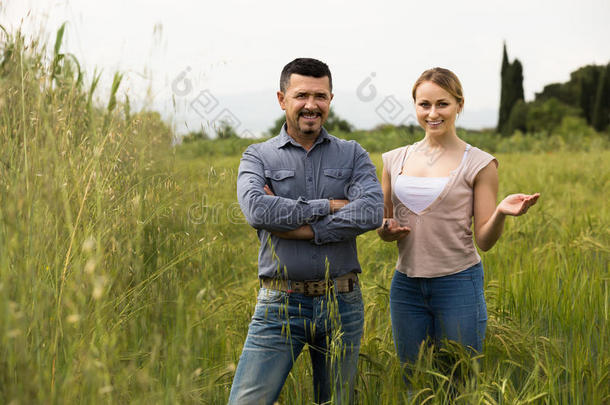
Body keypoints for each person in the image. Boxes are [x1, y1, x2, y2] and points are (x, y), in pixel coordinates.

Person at [229, 58, 384, 404]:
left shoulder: (353, 154)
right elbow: (257, 208)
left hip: (341, 302)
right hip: (279, 304)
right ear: (282, 99)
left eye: (320, 96)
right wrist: (331, 205)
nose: (311, 105)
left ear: (330, 99)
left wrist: (300, 230)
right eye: (301, 95)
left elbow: (372, 211)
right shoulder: (258, 157)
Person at [377, 67, 539, 371]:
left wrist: (501, 212)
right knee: (414, 380)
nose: (433, 113)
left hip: (458, 283)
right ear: (415, 107)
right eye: (424, 105)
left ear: (459, 105)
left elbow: (484, 241)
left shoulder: (479, 163)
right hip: (406, 285)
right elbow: (383, 225)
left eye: (443, 104)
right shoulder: (393, 160)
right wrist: (386, 231)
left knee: (459, 379)